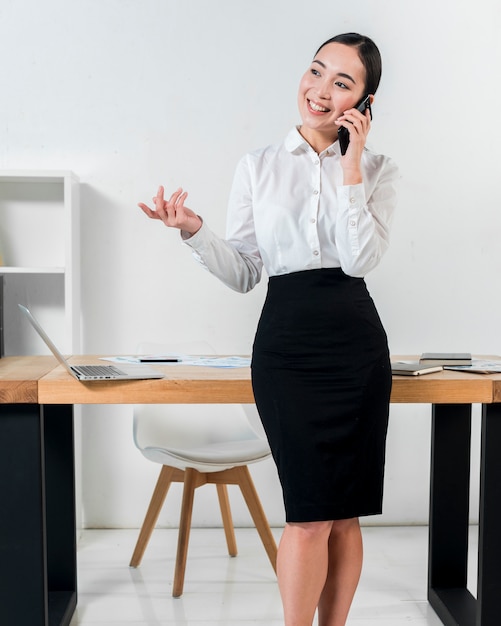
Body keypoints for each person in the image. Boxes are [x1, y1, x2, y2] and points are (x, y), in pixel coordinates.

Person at [139, 32, 398, 626]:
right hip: (286, 347)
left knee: (344, 514)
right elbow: (246, 273)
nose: (321, 90)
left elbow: (359, 261)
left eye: (342, 82)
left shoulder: (379, 171)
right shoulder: (257, 166)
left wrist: (351, 164)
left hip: (355, 345)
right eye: (316, 72)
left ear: (365, 103)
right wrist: (194, 229)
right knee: (308, 515)